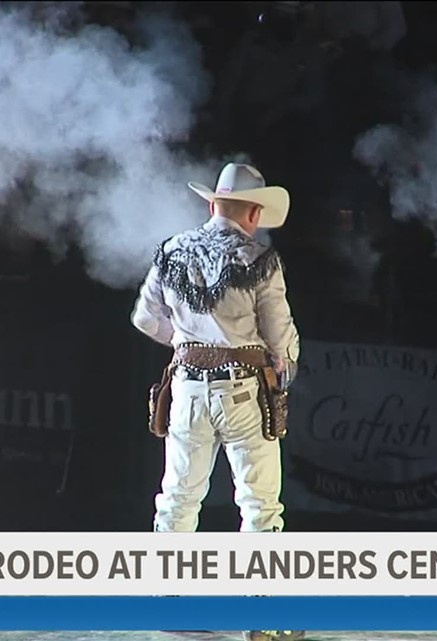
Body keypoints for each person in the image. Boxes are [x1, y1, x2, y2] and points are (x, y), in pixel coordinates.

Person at [131, 163, 304, 641]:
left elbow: (146, 318)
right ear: (252, 211)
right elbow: (281, 337)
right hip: (244, 388)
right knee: (259, 504)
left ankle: (163, 601)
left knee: (179, 497)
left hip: (187, 386)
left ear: (213, 205)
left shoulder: (170, 251)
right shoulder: (259, 258)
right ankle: (262, 615)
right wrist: (283, 369)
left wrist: (188, 344)